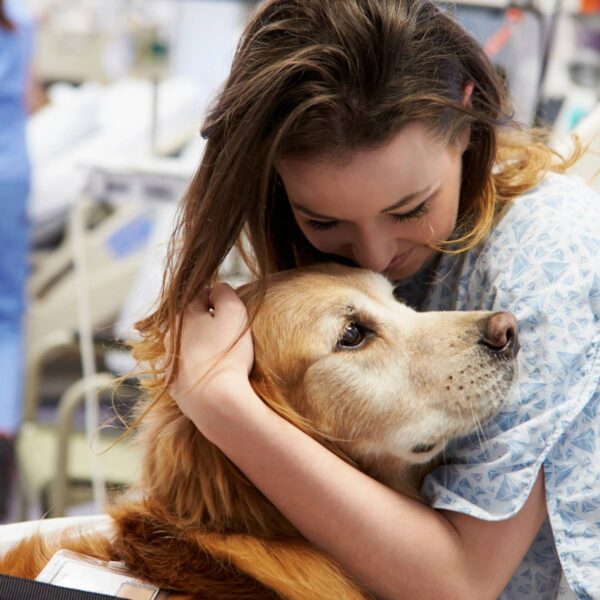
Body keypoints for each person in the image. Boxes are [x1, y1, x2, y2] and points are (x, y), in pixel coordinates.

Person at [133, 1, 600, 598]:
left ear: (464, 120)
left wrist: (222, 407)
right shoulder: (299, 265)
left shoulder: (551, 253)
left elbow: (458, 586)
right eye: (323, 220)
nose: (375, 257)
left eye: (409, 209)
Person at [0, 0, 34, 520]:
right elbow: (31, 99)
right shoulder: (23, 24)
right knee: (7, 310)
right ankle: (4, 422)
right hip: (11, 173)